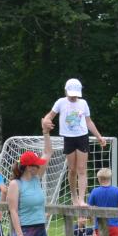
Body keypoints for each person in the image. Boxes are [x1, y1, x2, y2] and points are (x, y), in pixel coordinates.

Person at [42, 78, 106, 206]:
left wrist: (99, 136)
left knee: (82, 169)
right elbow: (49, 116)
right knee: (72, 169)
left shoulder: (83, 103)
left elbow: (88, 121)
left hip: (82, 137)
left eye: (75, 95)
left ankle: (82, 199)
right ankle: (74, 196)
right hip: (68, 138)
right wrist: (46, 121)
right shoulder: (61, 102)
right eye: (71, 94)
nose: (73, 97)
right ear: (66, 91)